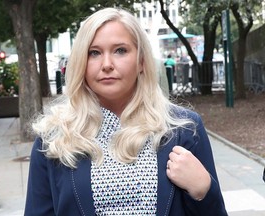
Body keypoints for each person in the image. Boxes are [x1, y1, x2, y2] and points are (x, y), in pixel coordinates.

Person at [24, 7, 227, 216]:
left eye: (120, 50)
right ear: (81, 63)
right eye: (94, 53)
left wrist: (203, 190)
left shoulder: (183, 129)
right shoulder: (54, 138)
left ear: (141, 61)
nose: (107, 65)